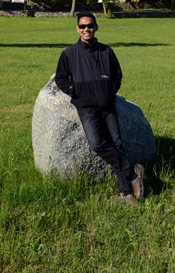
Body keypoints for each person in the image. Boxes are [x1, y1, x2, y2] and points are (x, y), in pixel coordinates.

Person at [55, 11, 144, 206]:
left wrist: (109, 92)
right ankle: (132, 173)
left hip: (107, 105)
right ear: (77, 28)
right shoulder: (69, 53)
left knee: (117, 145)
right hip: (86, 107)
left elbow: (117, 76)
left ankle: (126, 193)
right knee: (97, 143)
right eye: (83, 26)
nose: (87, 29)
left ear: (96, 27)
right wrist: (76, 91)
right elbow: (61, 78)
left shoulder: (106, 51)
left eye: (90, 25)